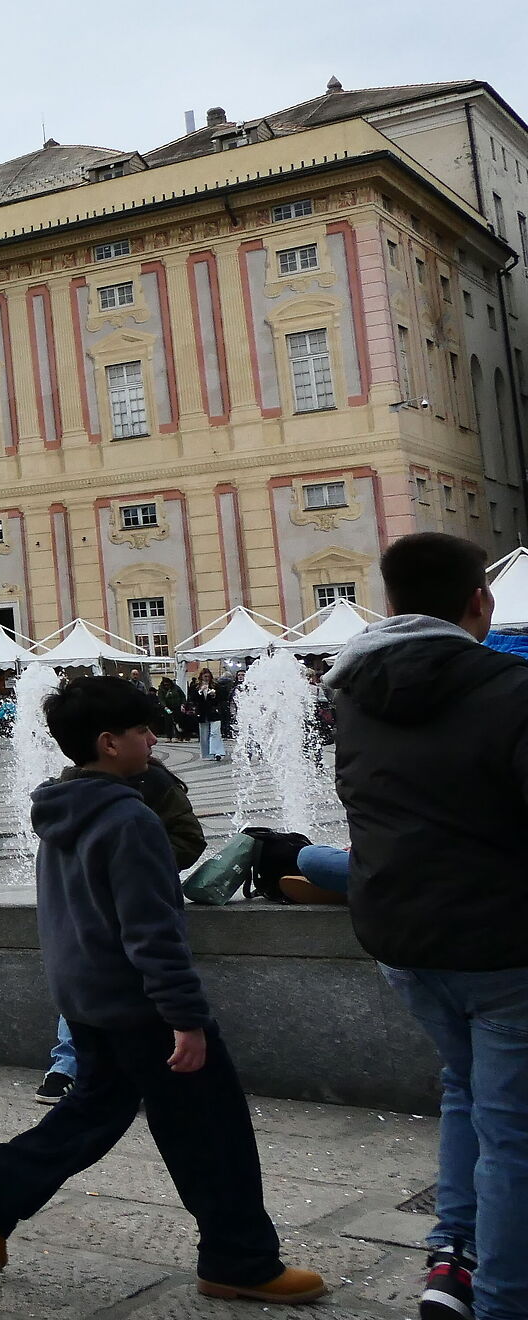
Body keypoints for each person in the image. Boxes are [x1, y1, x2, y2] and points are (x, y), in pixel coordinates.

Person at [0, 676, 323, 1305]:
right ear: (109, 742)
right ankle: (241, 1260)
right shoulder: (131, 820)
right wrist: (186, 1018)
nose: (154, 739)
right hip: (141, 1006)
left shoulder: (61, 809)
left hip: (88, 998)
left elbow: (70, 915)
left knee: (98, 1106)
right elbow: (153, 932)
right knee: (213, 1128)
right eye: (142, 730)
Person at [326, 532, 528, 1319]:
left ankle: (453, 1260)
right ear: (479, 602)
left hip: (400, 940)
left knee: (465, 1090)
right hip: (501, 945)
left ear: (391, 604)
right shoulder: (511, 689)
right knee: (513, 1131)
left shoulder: (355, 694)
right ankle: (505, 1301)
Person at [37, 753, 207, 1103]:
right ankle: (68, 1065)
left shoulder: (156, 783)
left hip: (135, 892)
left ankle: (81, 1070)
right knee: (97, 974)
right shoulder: (71, 788)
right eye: (141, 728)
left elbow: (189, 838)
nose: (151, 739)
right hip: (94, 902)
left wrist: (141, 861)